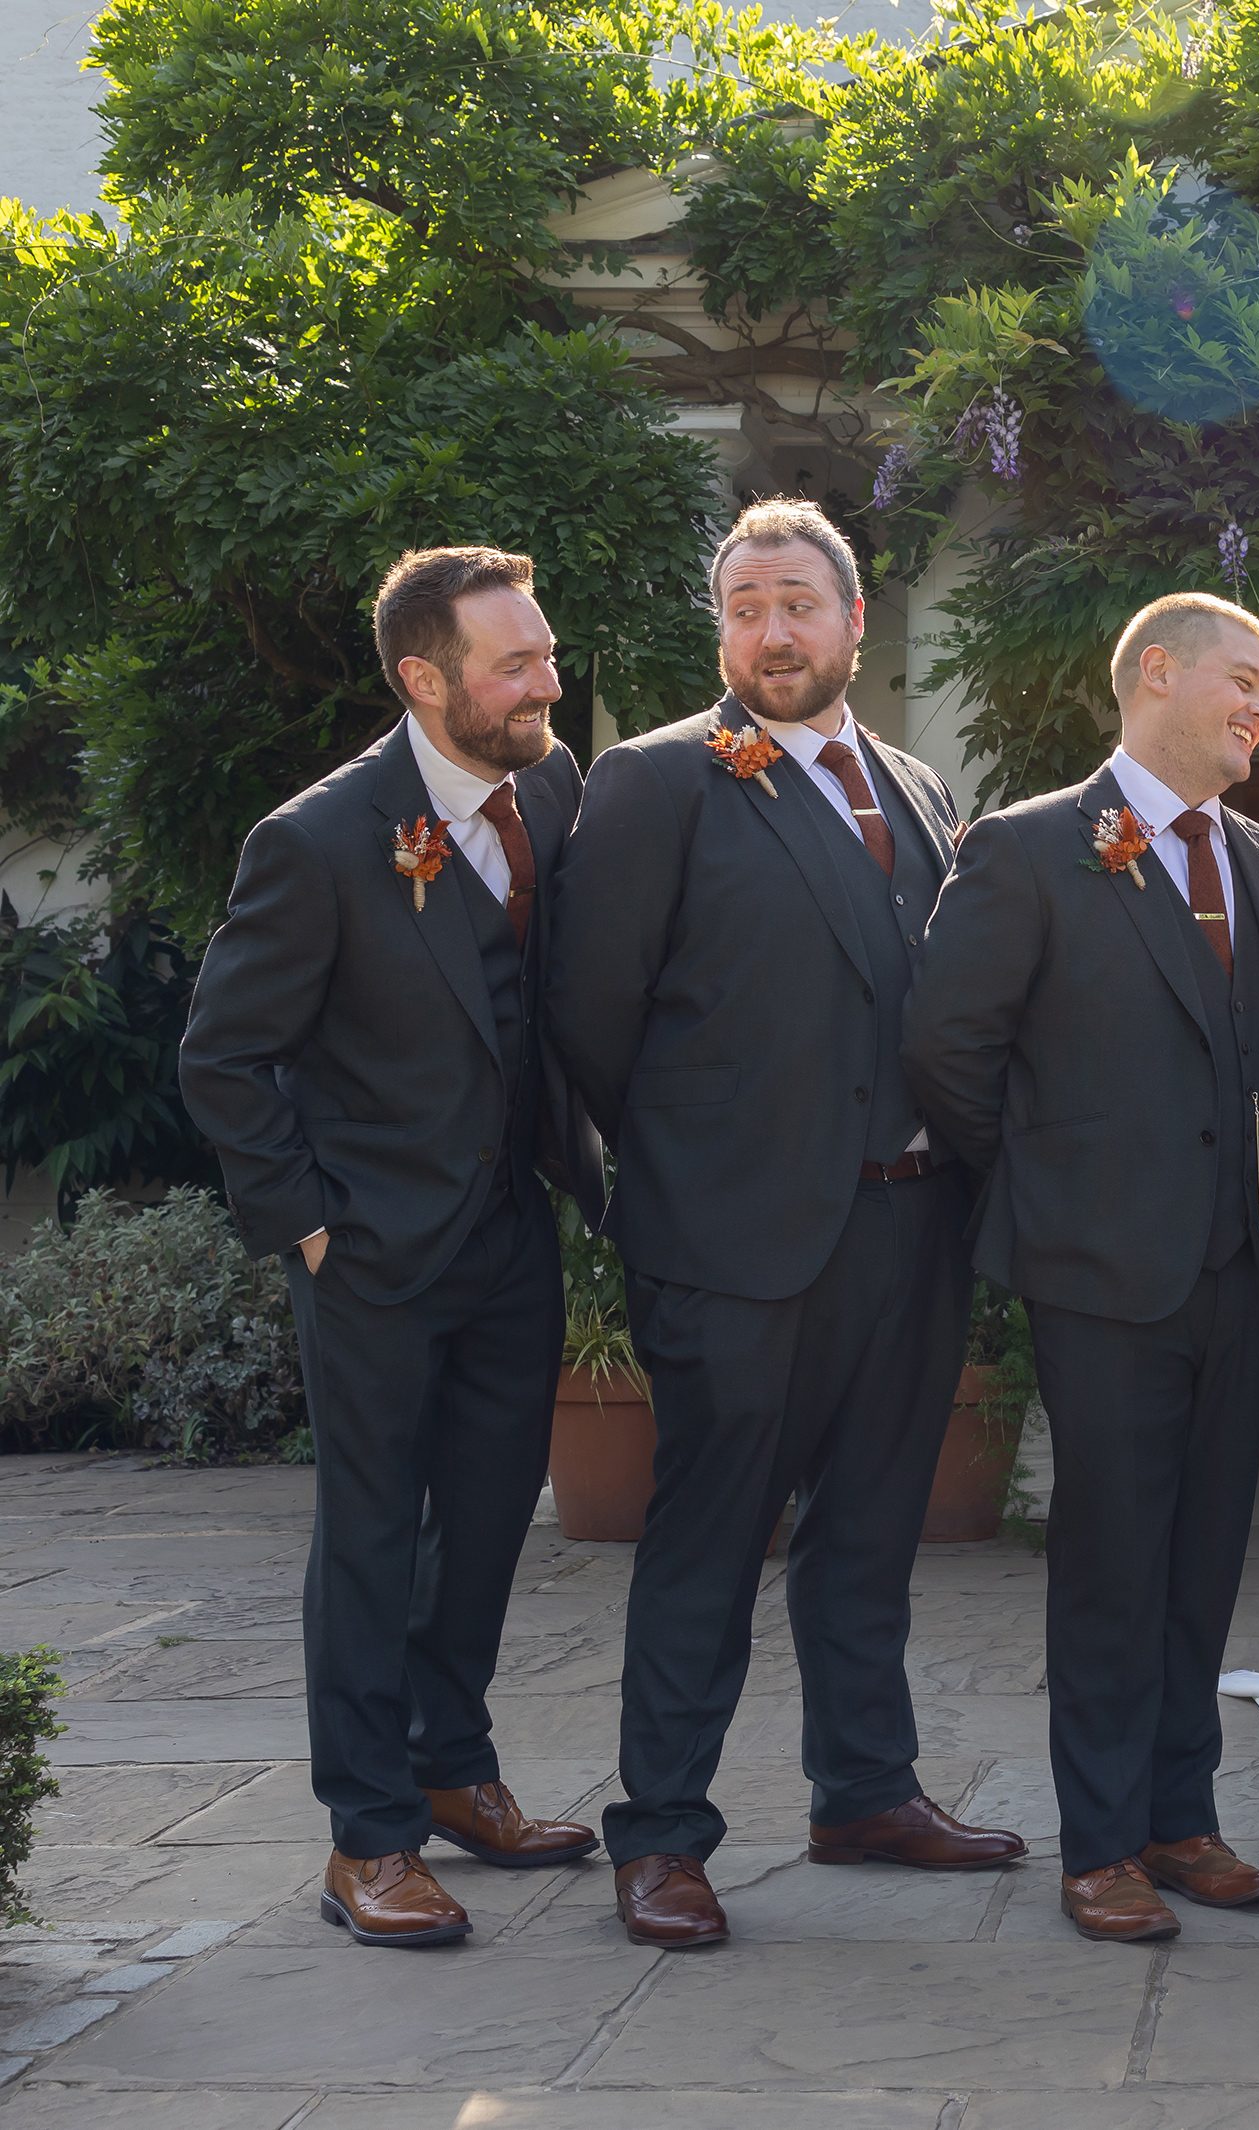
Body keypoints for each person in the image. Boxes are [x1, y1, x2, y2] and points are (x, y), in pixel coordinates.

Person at [546, 498, 1024, 1952]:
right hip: (731, 1242)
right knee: (707, 1535)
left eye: (798, 602)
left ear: (854, 622)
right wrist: (690, 1178)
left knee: (874, 1529)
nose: (771, 630)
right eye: (745, 605)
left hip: (907, 1228)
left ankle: (866, 1788)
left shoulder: (924, 788)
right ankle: (665, 1835)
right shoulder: (655, 781)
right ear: (722, 629)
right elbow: (587, 1017)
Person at [180, 545, 606, 1948]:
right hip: (366, 1248)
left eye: (544, 652)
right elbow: (226, 1055)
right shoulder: (315, 839)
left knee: (488, 1518)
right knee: (369, 1536)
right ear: (427, 681)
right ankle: (366, 1836)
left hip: (507, 1230)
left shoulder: (547, 784)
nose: (548, 680)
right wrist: (303, 1222)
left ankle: (450, 1763)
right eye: (517, 664)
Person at [902, 592, 1259, 1944]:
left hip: (1244, 1265)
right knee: (1108, 1556)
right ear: (1158, 672)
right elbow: (948, 1046)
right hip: (1098, 1270)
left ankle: (1181, 1818)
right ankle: (1099, 1844)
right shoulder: (1028, 848)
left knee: (1207, 1554)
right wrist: (1050, 1187)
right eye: (1246, 679)